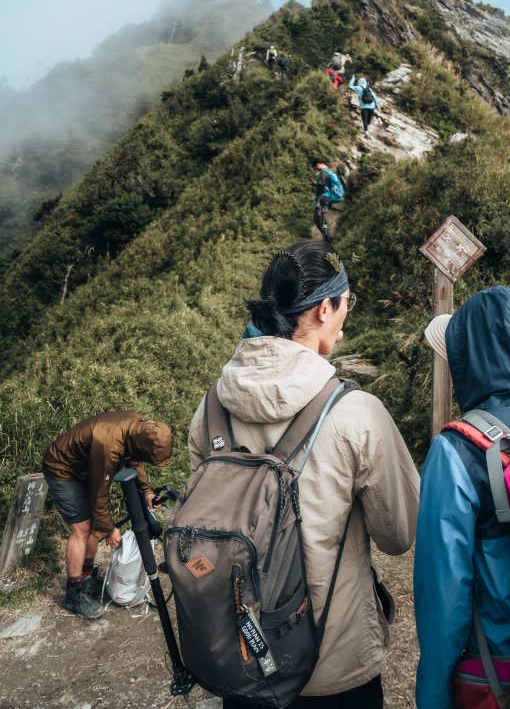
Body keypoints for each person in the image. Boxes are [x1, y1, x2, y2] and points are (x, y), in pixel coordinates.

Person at [188, 240, 420, 709]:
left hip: (244, 661)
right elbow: (399, 534)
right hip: (334, 668)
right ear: (322, 309)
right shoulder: (357, 413)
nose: (346, 316)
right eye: (346, 303)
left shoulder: (211, 407)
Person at [414, 286, 510, 709]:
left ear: (470, 357)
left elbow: (443, 601)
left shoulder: (457, 450)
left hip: (494, 678)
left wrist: (433, 697)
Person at [42, 411, 173, 619]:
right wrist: (109, 529)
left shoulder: (138, 429)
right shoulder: (108, 444)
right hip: (62, 468)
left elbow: (135, 460)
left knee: (95, 523)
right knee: (83, 528)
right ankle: (74, 594)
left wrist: (147, 490)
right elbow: (99, 492)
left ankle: (86, 577)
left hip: (85, 466)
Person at [310, 156, 343, 243]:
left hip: (323, 198)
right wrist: (316, 184)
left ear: (317, 165)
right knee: (322, 217)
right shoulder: (329, 171)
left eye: (315, 167)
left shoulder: (322, 172)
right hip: (329, 199)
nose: (316, 169)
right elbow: (325, 185)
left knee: (318, 218)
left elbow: (321, 187)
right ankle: (327, 237)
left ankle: (327, 237)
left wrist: (315, 186)